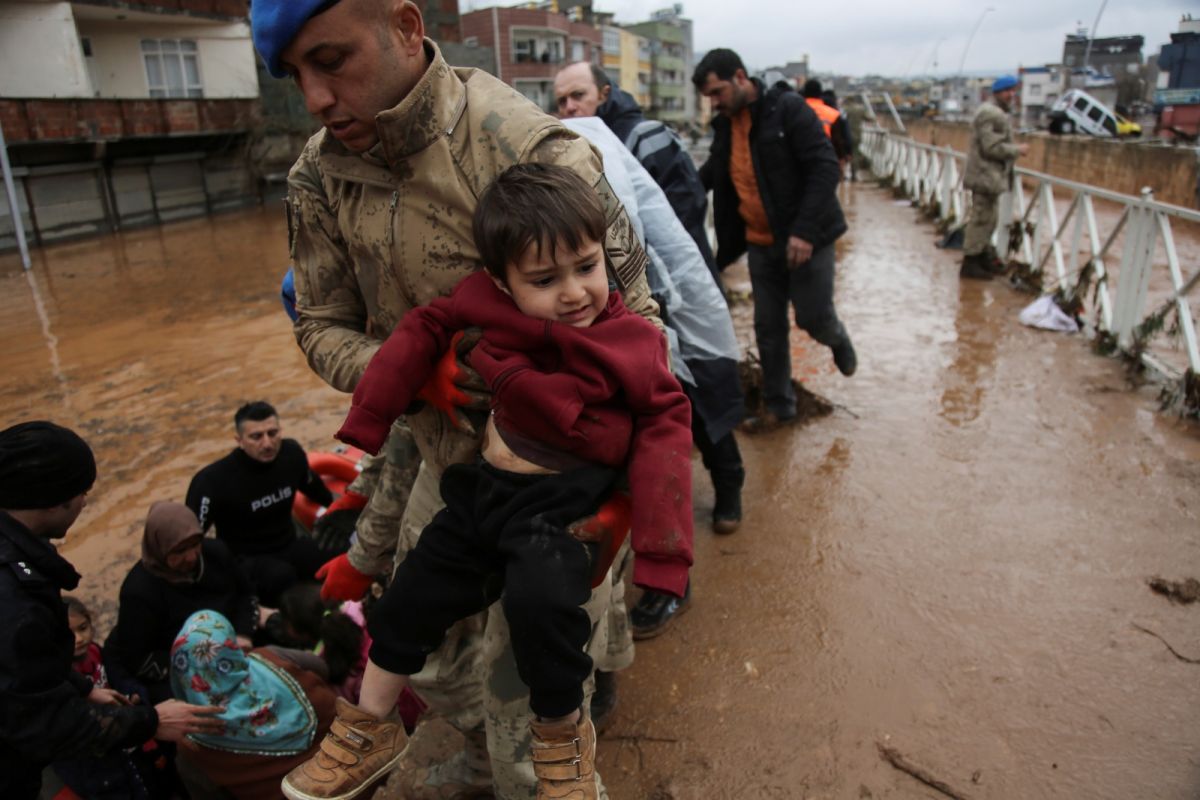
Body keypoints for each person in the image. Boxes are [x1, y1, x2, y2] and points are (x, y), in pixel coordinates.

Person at [251, 0, 662, 795]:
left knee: (537, 723)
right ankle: (481, 752)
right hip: (442, 464)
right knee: (423, 652)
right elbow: (320, 325)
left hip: (561, 479)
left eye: (331, 62)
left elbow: (639, 320)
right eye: (294, 75)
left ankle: (546, 751)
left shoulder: (531, 149)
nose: (316, 100)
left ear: (406, 27)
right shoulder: (318, 174)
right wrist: (403, 369)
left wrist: (633, 493)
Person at [281, 162, 693, 800]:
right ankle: (370, 727)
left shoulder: (630, 341)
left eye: (586, 267)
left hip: (558, 513)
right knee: (407, 598)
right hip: (482, 493)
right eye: (545, 280)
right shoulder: (483, 303)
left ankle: (563, 749)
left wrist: (662, 552)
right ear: (502, 282)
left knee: (544, 617)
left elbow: (668, 426)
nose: (576, 292)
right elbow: (424, 325)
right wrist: (371, 415)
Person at [0, 420, 224, 799]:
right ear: (56, 498)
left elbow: (25, 669)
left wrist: (83, 688)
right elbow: (41, 723)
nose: (86, 502)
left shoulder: (19, 566)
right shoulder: (15, 602)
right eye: (82, 492)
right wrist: (151, 721)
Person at [693, 48, 859, 432]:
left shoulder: (787, 110)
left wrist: (803, 231)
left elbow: (824, 167)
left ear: (739, 77)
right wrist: (668, 195)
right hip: (760, 243)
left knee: (812, 317)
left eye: (717, 92)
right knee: (768, 328)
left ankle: (836, 339)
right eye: (709, 98)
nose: (714, 103)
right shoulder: (724, 127)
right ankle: (779, 406)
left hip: (808, 237)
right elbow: (710, 175)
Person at [554, 61, 719, 284]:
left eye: (578, 95)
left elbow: (684, 218)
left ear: (604, 94)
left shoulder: (647, 137)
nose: (570, 107)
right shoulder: (574, 150)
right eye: (562, 101)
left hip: (669, 281)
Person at [170, 609, 339, 800]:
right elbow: (322, 668)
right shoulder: (270, 657)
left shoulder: (191, 746)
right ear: (231, 646)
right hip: (354, 770)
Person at [186, 401, 336, 606]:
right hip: (246, 558)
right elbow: (192, 537)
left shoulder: (291, 454)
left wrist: (340, 511)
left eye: (272, 433)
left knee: (332, 553)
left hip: (288, 543)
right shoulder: (212, 481)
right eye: (256, 437)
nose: (267, 443)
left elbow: (317, 490)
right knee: (281, 577)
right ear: (239, 440)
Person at [108, 501, 258, 702]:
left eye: (195, 544)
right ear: (159, 549)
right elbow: (136, 659)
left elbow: (245, 594)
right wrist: (197, 666)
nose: (191, 557)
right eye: (179, 551)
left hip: (232, 642)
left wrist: (243, 634)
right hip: (181, 668)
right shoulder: (139, 591)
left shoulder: (216, 553)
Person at [53, 597, 173, 800]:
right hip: (95, 755)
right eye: (68, 635)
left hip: (127, 731)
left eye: (83, 628)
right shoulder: (57, 676)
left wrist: (135, 696)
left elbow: (121, 677)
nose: (79, 638)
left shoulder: (97, 652)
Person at [961, 74, 1029, 281]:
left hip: (988, 177)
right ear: (998, 93)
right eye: (1008, 91)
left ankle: (981, 258)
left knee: (989, 218)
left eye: (1013, 91)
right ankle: (971, 262)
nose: (1011, 95)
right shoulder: (991, 114)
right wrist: (1017, 150)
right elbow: (991, 147)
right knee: (981, 218)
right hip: (985, 176)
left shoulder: (992, 112)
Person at [801, 79, 852, 179]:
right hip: (827, 160)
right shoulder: (833, 114)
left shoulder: (794, 112)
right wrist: (843, 157)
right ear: (820, 93)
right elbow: (839, 140)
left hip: (802, 161)